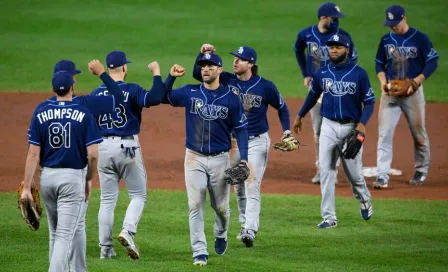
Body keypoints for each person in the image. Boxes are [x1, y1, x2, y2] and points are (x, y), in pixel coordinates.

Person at [192, 44, 296, 248]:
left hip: (256, 141)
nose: (235, 61)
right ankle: (243, 225)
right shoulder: (227, 79)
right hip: (231, 142)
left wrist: (286, 131)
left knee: (252, 183)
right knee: (237, 185)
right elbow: (199, 74)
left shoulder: (265, 86)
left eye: (240, 59)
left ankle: (250, 228)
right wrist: (203, 53)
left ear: (251, 64)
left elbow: (282, 108)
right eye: (235, 58)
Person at [163, 53, 249, 266]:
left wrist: (244, 159)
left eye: (211, 66)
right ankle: (199, 251)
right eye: (203, 65)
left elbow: (241, 130)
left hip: (220, 159)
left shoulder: (231, 98)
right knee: (195, 204)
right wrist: (171, 77)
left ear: (220, 70)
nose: (205, 69)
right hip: (194, 158)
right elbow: (165, 96)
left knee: (220, 208)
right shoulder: (190, 92)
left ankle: (221, 233)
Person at [21, 70, 103, 272]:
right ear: (72, 87)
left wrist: (26, 188)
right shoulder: (83, 113)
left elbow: (33, 154)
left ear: (53, 90)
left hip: (47, 178)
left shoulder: (41, 111)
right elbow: (93, 154)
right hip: (71, 179)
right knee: (65, 235)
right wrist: (88, 179)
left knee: (55, 232)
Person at [294, 34, 375, 228]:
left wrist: (362, 124)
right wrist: (300, 114)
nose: (334, 50)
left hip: (350, 127)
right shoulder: (321, 73)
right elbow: (313, 96)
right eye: (331, 47)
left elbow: (370, 102)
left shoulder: (359, 74)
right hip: (328, 125)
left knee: (354, 175)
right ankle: (329, 217)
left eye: (338, 47)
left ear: (347, 50)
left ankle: (364, 198)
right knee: (327, 171)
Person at [91, 51, 164, 260]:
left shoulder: (96, 94)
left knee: (106, 200)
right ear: (124, 68)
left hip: (103, 147)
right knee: (138, 195)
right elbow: (156, 97)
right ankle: (128, 231)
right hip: (128, 146)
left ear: (107, 69)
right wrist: (157, 73)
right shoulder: (131, 90)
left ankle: (105, 249)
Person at [373, 5, 439, 189]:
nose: (392, 27)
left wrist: (417, 81)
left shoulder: (420, 38)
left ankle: (421, 169)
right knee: (384, 134)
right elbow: (379, 64)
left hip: (413, 95)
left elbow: (432, 61)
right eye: (390, 24)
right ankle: (382, 175)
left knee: (418, 134)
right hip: (390, 94)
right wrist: (382, 82)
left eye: (395, 23)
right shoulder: (386, 40)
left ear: (404, 18)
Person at [293, 2, 357, 184]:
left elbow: (353, 58)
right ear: (323, 18)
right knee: (319, 131)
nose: (337, 22)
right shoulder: (306, 34)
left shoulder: (343, 36)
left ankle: (336, 169)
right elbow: (297, 49)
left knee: (339, 129)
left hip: (337, 90)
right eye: (334, 18)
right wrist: (305, 73)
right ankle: (323, 169)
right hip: (316, 90)